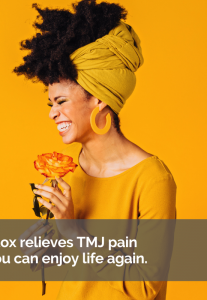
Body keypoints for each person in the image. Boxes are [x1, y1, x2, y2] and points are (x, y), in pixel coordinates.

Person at [14, 1, 177, 299]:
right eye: (50, 104)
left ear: (99, 99)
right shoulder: (69, 172)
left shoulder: (153, 180)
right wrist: (45, 250)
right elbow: (80, 263)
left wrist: (73, 233)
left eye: (61, 102)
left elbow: (146, 286)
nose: (52, 113)